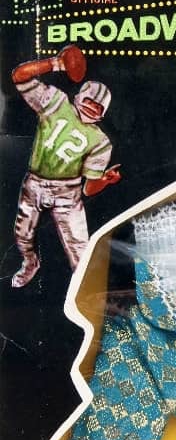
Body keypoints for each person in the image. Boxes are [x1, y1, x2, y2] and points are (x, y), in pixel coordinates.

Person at [11, 45, 121, 288]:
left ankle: (84, 292)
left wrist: (104, 180)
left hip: (68, 192)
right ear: (80, 96)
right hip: (35, 182)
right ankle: (30, 263)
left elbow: (88, 189)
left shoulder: (101, 141)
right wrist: (56, 64)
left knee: (80, 252)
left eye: (98, 107)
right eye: (90, 101)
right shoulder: (56, 101)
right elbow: (19, 76)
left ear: (103, 113)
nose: (92, 108)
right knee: (22, 235)